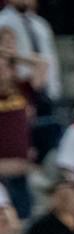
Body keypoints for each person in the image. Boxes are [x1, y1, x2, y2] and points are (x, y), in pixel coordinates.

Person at [0, 0, 62, 102]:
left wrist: (54, 87)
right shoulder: (2, 21)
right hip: (16, 88)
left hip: (45, 88)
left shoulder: (40, 23)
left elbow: (50, 57)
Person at [0, 53, 38, 220]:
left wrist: (9, 54)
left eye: (4, 67)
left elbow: (42, 64)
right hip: (1, 171)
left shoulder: (22, 89)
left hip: (21, 169)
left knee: (23, 220)